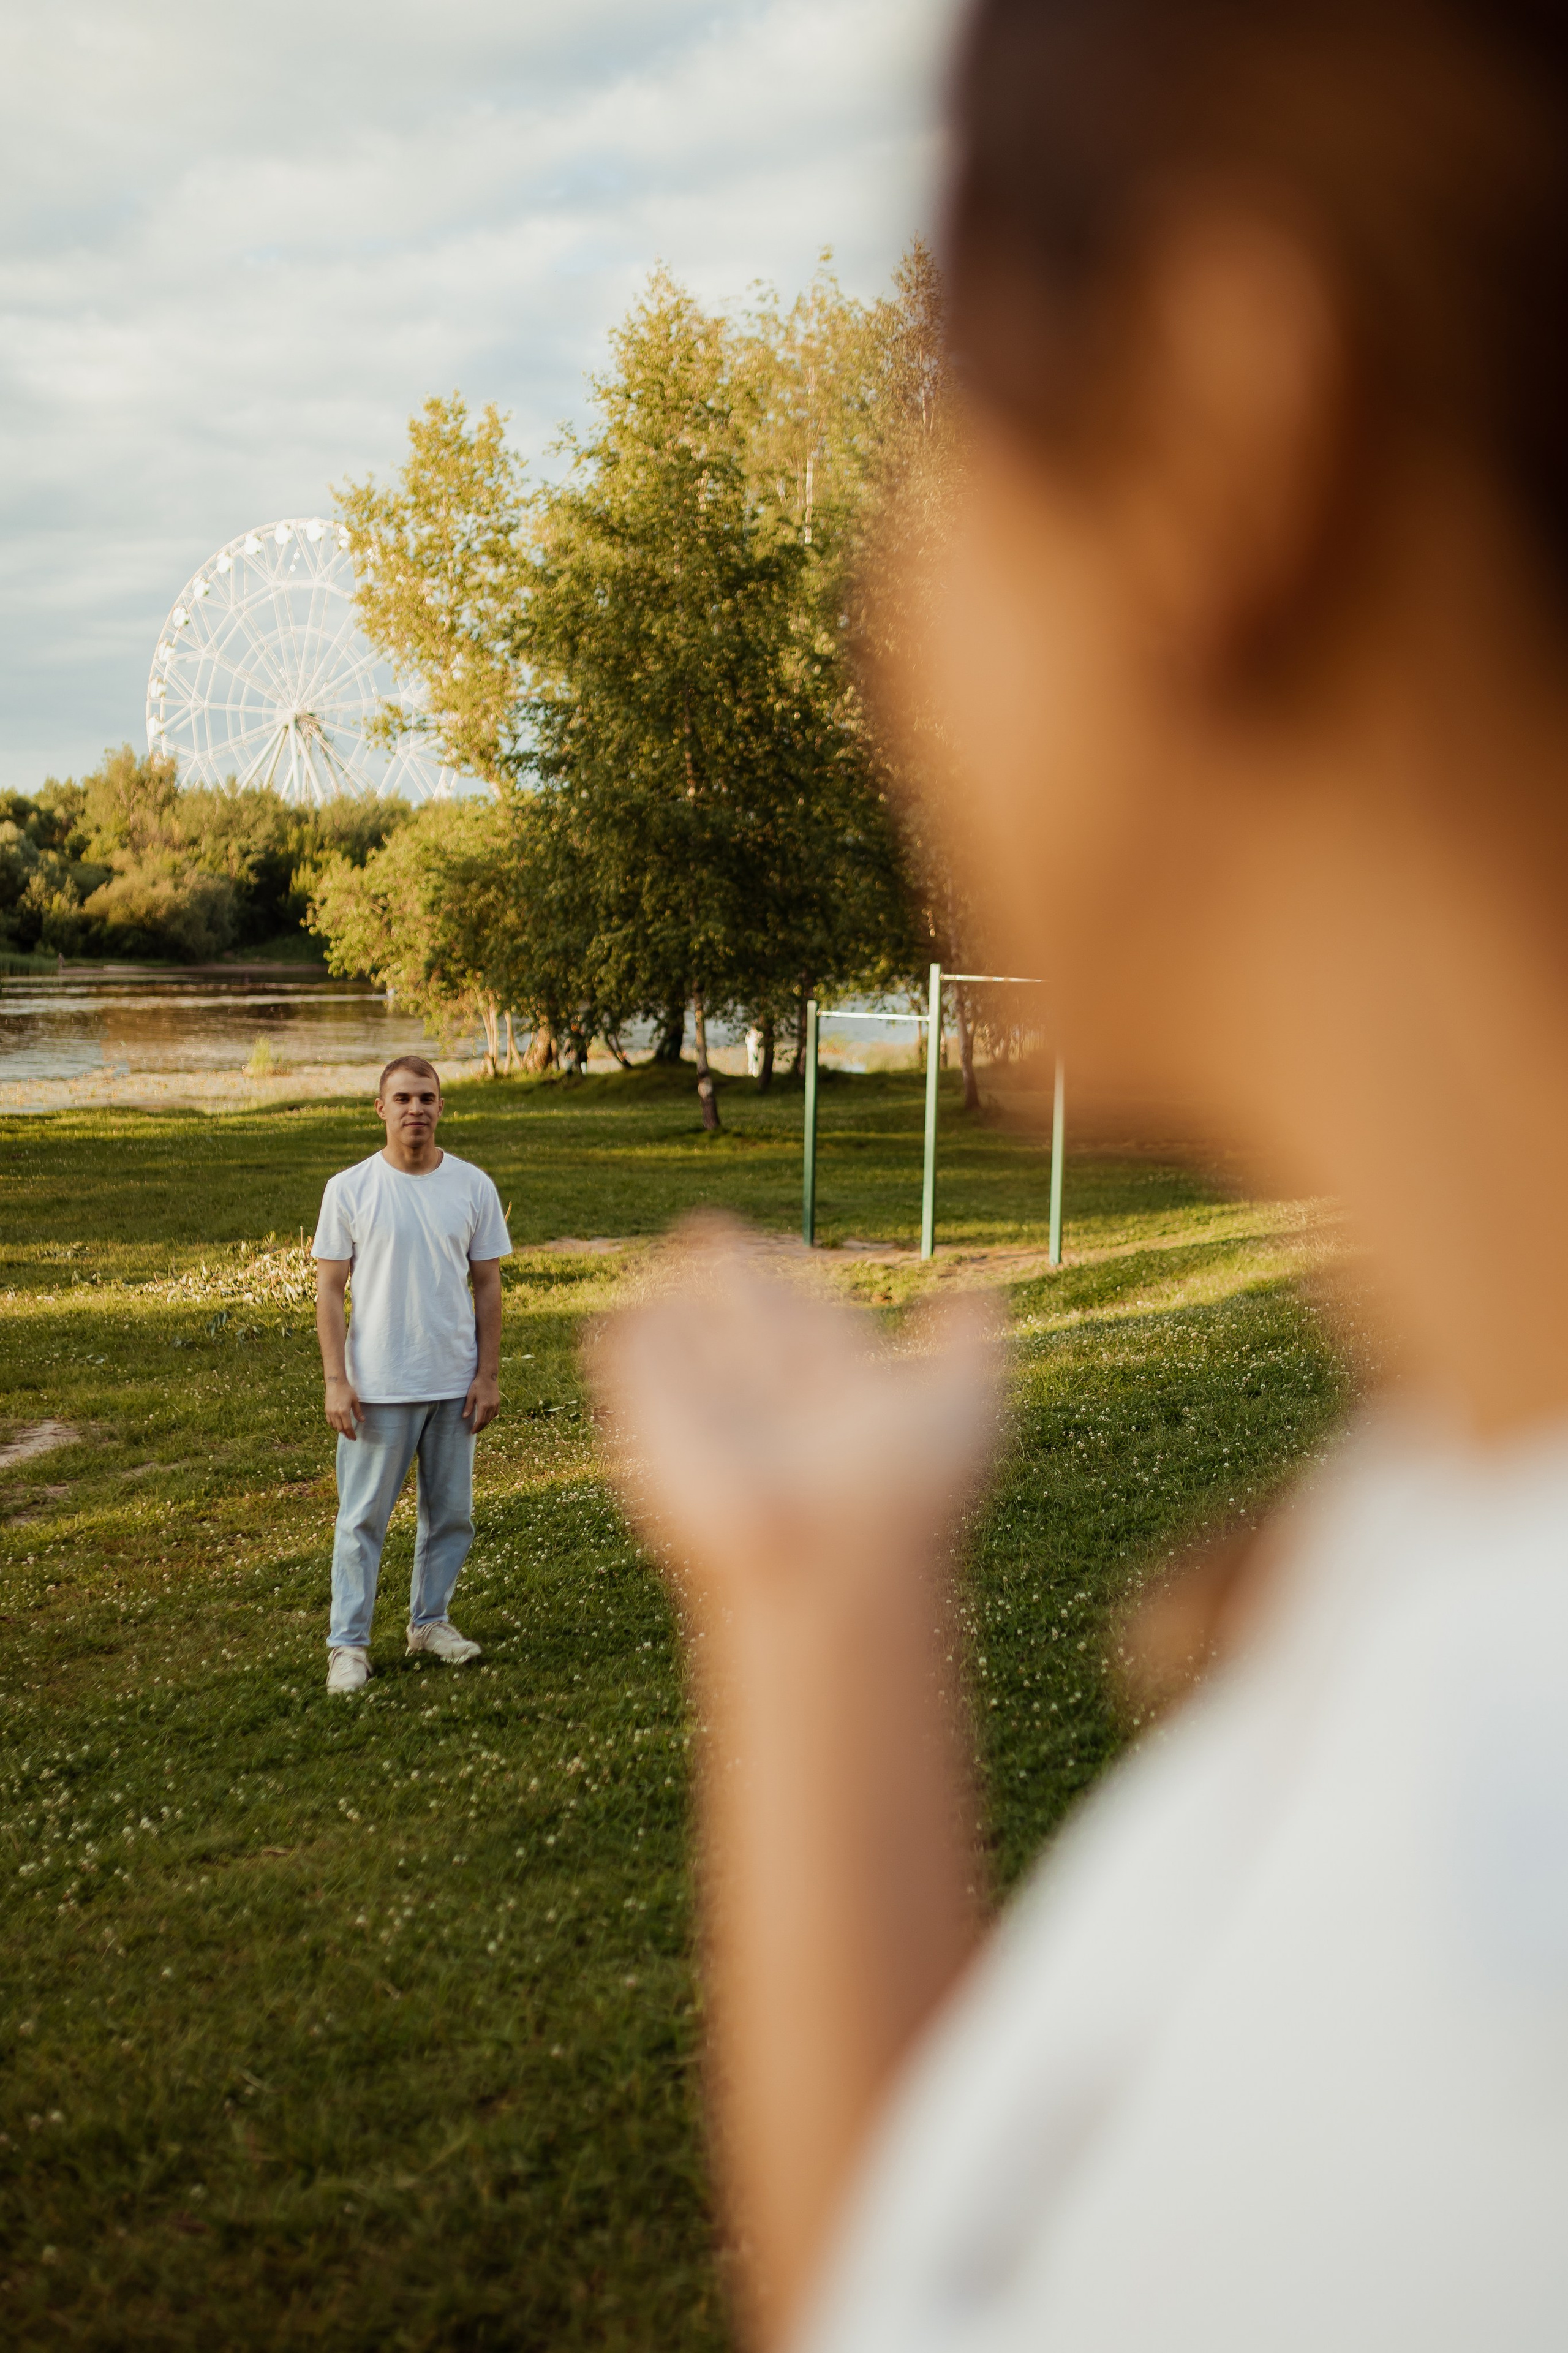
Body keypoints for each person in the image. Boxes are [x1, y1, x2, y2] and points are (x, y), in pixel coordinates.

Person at [587, 2, 1568, 2347]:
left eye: (943, 428)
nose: (873, 624)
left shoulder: (1500, 1931)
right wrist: (821, 1607)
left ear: (1225, 417)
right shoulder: (1443, 1528)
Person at [313, 1054, 511, 1695]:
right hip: (377, 1389)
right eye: (402, 1098)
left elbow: (487, 1287)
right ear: (381, 1108)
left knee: (451, 1516)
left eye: (426, 1097)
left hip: (453, 1383)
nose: (415, 1109)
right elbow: (329, 1291)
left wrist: (487, 1374)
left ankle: (430, 1622)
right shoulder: (350, 1188)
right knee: (361, 1520)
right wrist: (335, 1380)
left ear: (441, 1106)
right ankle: (349, 1646)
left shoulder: (473, 1186)